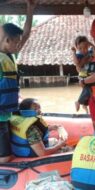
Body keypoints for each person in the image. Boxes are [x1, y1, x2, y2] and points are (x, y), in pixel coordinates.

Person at [0, 0, 36, 163]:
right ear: (7, 40)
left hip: (5, 115)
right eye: (16, 42)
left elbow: (26, 34)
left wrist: (30, 10)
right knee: (6, 157)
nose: (18, 45)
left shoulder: (10, 55)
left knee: (8, 153)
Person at [71, 35, 95, 113]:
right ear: (77, 48)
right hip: (83, 76)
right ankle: (79, 102)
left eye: (85, 47)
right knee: (88, 89)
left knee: (88, 91)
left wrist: (92, 45)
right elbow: (76, 63)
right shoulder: (79, 55)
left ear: (88, 46)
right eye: (80, 48)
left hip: (89, 75)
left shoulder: (90, 52)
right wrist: (74, 52)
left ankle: (84, 105)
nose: (83, 50)